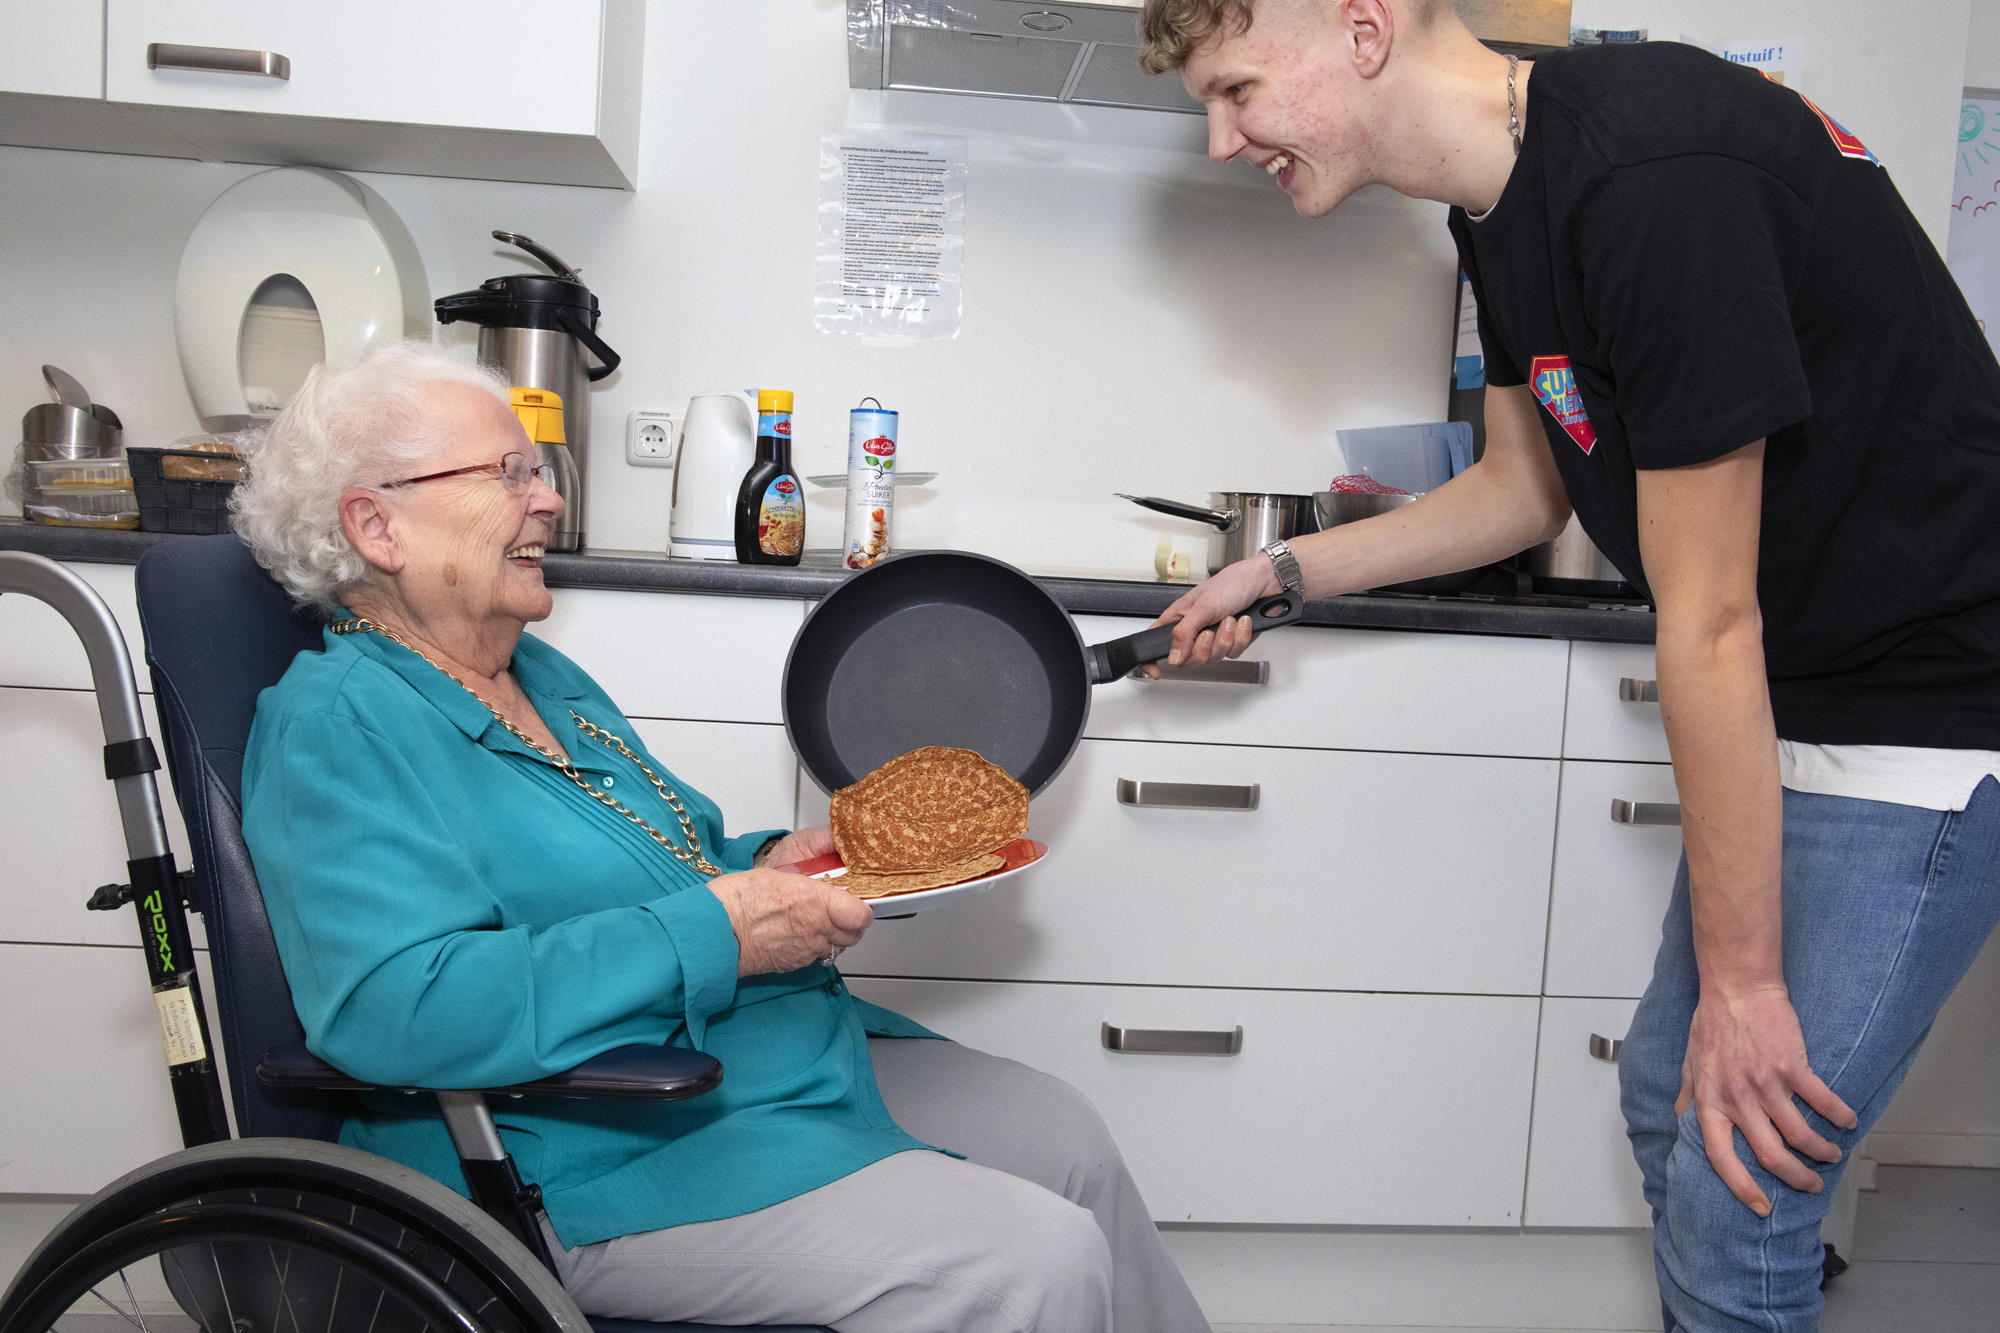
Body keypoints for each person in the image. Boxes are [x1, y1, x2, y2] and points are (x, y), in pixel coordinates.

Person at [1135, 2, 2000, 1329]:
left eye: (1238, 88)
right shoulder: (1499, 197)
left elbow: (1709, 620)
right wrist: (1289, 569)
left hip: (1924, 712)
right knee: (1675, 1090)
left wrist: (1750, 991)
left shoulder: (1655, 183)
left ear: (1360, 29)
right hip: (1811, 690)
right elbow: (1521, 487)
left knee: (1740, 1173)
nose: (1221, 137)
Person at [233, 342, 1211, 1333]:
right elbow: (398, 1010)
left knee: (1064, 1135)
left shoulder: (541, 677)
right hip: (585, 1151)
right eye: (507, 473)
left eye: (538, 471)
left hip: (759, 1066)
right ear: (376, 524)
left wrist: (763, 866)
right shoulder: (338, 726)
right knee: (1028, 1262)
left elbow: (668, 851)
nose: (545, 502)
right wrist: (722, 930)